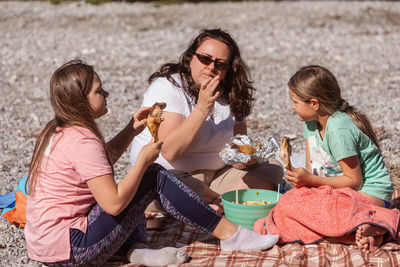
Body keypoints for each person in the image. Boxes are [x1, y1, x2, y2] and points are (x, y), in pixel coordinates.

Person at [24, 60, 280, 266]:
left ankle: (138, 251)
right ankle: (229, 234)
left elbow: (97, 164)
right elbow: (113, 205)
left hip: (47, 246)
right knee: (150, 175)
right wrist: (143, 162)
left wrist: (130, 131)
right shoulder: (83, 141)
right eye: (99, 91)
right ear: (80, 101)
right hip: (73, 249)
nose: (107, 93)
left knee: (139, 179)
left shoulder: (58, 129)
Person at [130, 29, 283, 214]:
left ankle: (210, 206)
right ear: (190, 58)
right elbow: (170, 151)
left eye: (220, 64)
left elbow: (239, 145)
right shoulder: (168, 87)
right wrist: (202, 108)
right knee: (172, 184)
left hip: (217, 178)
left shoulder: (231, 92)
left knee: (272, 168)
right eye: (205, 59)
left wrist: (245, 161)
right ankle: (219, 205)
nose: (211, 67)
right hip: (172, 176)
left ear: (228, 70)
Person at [254, 65, 396, 254]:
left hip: (368, 195)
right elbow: (311, 169)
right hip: (338, 192)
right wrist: (303, 182)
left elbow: (354, 180)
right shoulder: (310, 123)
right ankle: (360, 233)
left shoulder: (338, 130)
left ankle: (380, 220)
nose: (292, 106)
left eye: (295, 101)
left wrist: (311, 182)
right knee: (289, 203)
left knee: (291, 207)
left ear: (314, 103)